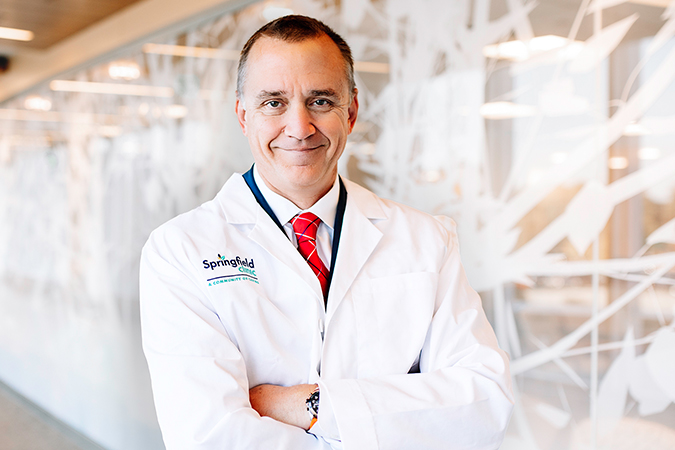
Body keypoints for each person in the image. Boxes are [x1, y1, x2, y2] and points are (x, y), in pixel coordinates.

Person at [140, 15, 513, 450]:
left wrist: (311, 406)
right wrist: (398, 417)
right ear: (243, 116)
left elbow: (484, 404)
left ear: (350, 113)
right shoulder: (181, 250)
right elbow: (211, 437)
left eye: (320, 101)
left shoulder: (428, 241)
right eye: (274, 103)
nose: (299, 128)